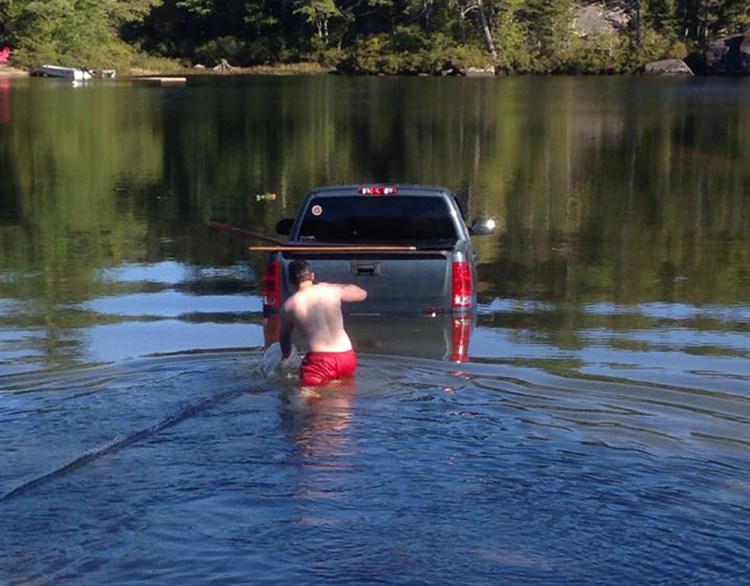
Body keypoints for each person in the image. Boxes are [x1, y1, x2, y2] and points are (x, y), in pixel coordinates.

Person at [280, 260, 367, 387]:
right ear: (312, 276)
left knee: (301, 401)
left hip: (320, 362)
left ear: (291, 281)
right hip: (347, 357)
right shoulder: (331, 290)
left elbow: (284, 337)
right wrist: (336, 286)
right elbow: (362, 294)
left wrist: (286, 357)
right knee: (342, 399)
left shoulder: (289, 306)